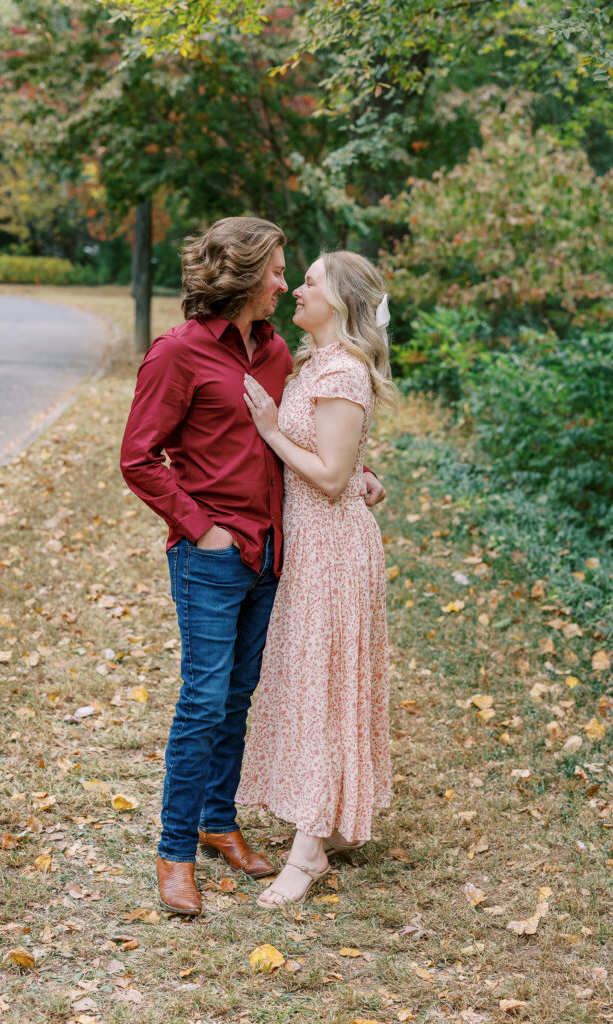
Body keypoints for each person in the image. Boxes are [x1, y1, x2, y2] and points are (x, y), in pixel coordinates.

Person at [120, 218, 385, 916]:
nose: (282, 282)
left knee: (238, 699)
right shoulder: (176, 354)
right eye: (274, 271)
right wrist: (200, 529)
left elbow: (313, 431)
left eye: (290, 274)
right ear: (241, 277)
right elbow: (137, 458)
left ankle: (217, 822)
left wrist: (357, 471)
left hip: (275, 552)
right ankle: (174, 851)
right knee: (202, 702)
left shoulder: (274, 353)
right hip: (212, 554)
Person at [235, 250, 396, 907]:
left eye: (308, 282)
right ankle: (320, 820)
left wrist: (270, 429)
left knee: (325, 688)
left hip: (332, 551)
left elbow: (327, 477)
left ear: (341, 302)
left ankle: (307, 853)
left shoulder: (344, 372)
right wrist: (358, 473)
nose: (295, 289)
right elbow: (340, 465)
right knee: (310, 681)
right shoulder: (315, 364)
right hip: (307, 545)